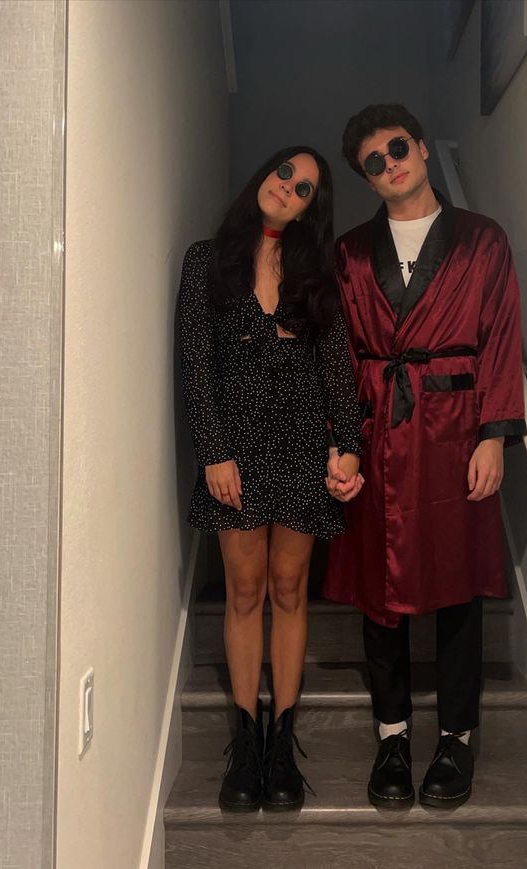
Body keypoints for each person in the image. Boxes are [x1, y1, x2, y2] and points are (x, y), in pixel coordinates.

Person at [324, 105, 526, 809]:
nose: (390, 164)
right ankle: (392, 735)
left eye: (398, 147)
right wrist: (342, 442)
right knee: (382, 594)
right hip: (378, 431)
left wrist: (494, 435)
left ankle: (458, 738)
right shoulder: (350, 254)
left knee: (459, 587)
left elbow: (501, 338)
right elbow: (339, 355)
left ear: (423, 150)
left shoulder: (482, 242)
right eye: (373, 162)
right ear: (366, 178)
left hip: (454, 430)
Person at [177, 146, 363, 812]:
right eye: (285, 173)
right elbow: (196, 364)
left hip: (301, 445)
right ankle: (246, 740)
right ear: (264, 173)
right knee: (245, 587)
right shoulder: (207, 259)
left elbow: (337, 367)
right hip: (236, 453)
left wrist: (350, 448)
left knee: (289, 587)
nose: (289, 188)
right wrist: (213, 451)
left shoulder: (317, 270)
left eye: (305, 187)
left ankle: (282, 742)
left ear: (314, 207)